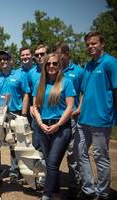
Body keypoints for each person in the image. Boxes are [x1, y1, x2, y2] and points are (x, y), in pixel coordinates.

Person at [76, 32, 117, 200]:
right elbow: (84, 92)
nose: (90, 46)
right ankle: (88, 190)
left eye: (94, 43)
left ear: (102, 44)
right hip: (83, 119)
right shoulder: (88, 65)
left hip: (101, 119)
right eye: (88, 44)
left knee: (100, 157)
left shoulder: (111, 63)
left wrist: (112, 113)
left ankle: (102, 193)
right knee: (81, 153)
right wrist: (78, 109)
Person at [32, 53, 76, 200]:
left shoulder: (67, 82)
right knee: (50, 162)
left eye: (55, 63)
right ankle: (55, 190)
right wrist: (40, 123)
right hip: (43, 127)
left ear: (59, 66)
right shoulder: (40, 84)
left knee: (51, 162)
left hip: (61, 128)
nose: (51, 66)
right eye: (48, 63)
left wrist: (58, 124)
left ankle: (47, 194)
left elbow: (70, 108)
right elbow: (35, 107)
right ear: (44, 66)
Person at [0, 50, 30, 184]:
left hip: (15, 113)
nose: (2, 61)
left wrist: (24, 114)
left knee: (15, 145)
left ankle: (14, 172)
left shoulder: (20, 75)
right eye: (0, 59)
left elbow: (25, 95)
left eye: (5, 58)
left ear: (10, 60)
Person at [55, 42, 84, 196]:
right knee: (55, 153)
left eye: (59, 54)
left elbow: (84, 91)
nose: (57, 57)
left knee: (73, 153)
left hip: (73, 119)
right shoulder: (54, 71)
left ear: (66, 54)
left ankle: (73, 185)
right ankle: (55, 183)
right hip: (56, 119)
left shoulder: (78, 71)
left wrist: (79, 109)